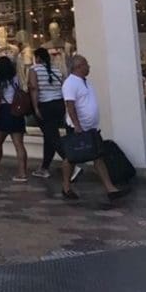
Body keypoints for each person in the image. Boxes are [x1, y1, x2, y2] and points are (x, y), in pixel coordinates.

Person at [60, 54, 130, 202]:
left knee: (98, 156)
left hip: (91, 127)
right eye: (86, 64)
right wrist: (77, 125)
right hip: (79, 127)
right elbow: (70, 106)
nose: (89, 67)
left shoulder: (85, 82)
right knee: (71, 157)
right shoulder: (70, 83)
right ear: (78, 67)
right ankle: (66, 187)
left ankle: (110, 188)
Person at [0, 56, 28, 181]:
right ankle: (22, 173)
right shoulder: (16, 78)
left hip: (5, 111)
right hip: (16, 111)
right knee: (19, 144)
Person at [28, 47, 65, 178]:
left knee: (53, 137)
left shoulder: (34, 69)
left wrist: (35, 107)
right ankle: (44, 167)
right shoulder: (56, 69)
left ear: (37, 58)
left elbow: (34, 88)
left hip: (45, 105)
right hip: (59, 104)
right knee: (49, 136)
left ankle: (70, 162)